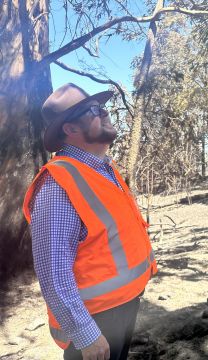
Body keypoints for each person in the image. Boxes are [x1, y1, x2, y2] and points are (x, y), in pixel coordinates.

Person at [23, 83, 158, 360]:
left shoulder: (104, 170)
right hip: (94, 323)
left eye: (103, 107)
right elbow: (53, 273)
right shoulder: (57, 186)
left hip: (123, 307)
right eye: (93, 110)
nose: (105, 112)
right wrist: (86, 334)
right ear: (70, 129)